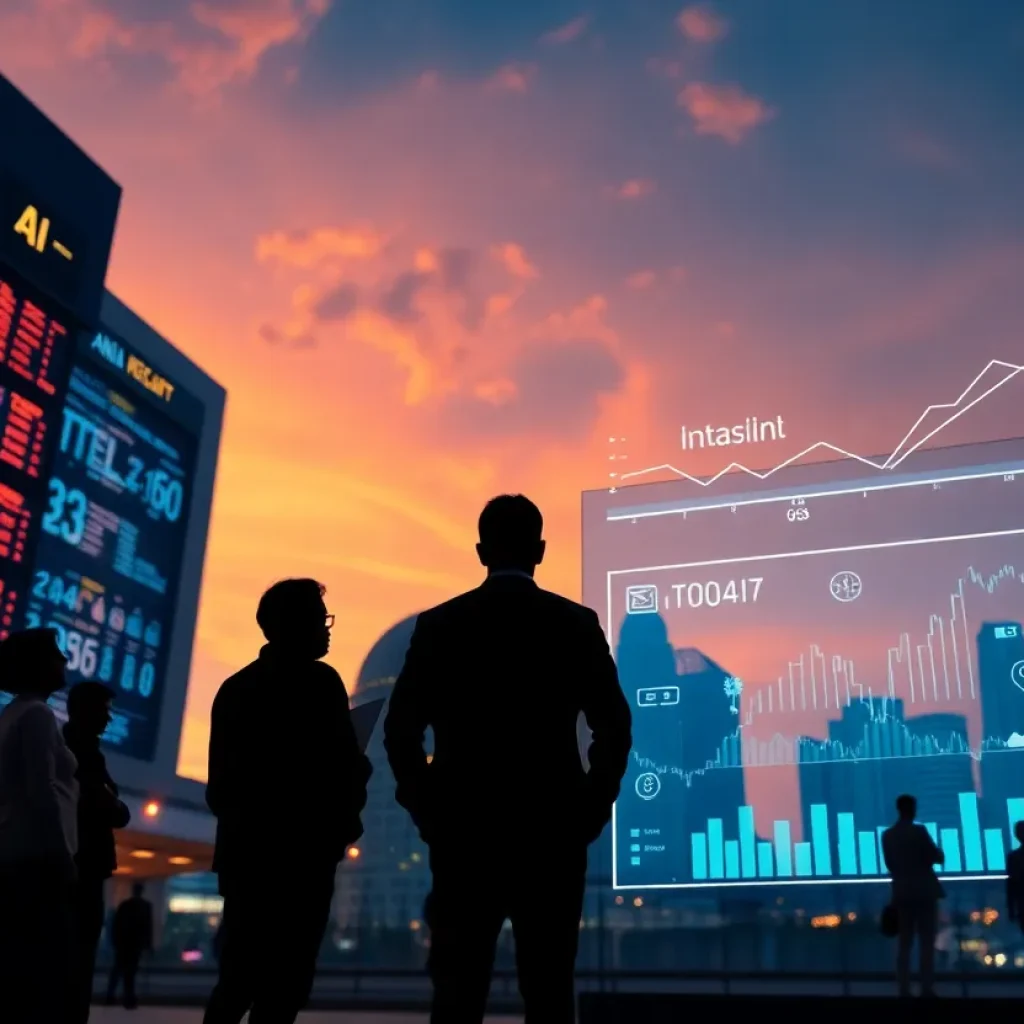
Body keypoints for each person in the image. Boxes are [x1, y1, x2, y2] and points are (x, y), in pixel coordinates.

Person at [384, 494, 632, 1023]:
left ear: (480, 551)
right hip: (552, 834)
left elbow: (400, 730)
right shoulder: (575, 624)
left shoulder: (440, 626)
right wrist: (589, 808)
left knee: (456, 991)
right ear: (541, 550)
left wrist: (429, 809)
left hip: (464, 835)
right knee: (548, 991)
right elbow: (614, 725)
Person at [203, 579, 372, 1024]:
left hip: (247, 862)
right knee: (285, 988)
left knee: (236, 981)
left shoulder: (234, 689)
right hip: (304, 862)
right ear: (296, 625)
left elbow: (219, 789)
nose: (328, 629)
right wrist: (354, 783)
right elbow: (341, 770)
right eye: (321, 619)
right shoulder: (321, 684)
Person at [0, 627, 78, 1024]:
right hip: (38, 859)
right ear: (38, 665)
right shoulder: (38, 715)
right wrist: (63, 856)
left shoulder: (12, 713)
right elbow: (42, 790)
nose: (65, 660)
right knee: (45, 968)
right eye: (56, 654)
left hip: (19, 854)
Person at [64, 681, 132, 1023]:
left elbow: (115, 808)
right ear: (85, 710)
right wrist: (111, 803)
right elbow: (111, 809)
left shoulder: (86, 751)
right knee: (75, 964)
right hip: (80, 871)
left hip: (82, 869)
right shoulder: (77, 753)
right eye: (104, 710)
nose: (108, 719)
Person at [881, 793, 945, 997]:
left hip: (901, 893)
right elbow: (937, 856)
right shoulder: (919, 831)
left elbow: (890, 865)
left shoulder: (888, 835)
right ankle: (926, 987)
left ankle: (904, 988)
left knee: (904, 944)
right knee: (927, 943)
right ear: (912, 809)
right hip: (924, 892)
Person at [106, 883, 153, 1009]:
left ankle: (111, 996)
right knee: (130, 972)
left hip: (124, 944)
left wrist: (116, 941)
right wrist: (147, 945)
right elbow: (147, 928)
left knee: (118, 970)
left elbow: (116, 924)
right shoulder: (145, 906)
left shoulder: (125, 905)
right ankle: (128, 998)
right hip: (134, 944)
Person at [1006, 821, 1024, 930]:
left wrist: (1011, 909)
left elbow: (1011, 885)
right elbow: (1011, 884)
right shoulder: (1013, 857)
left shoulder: (1013, 857)